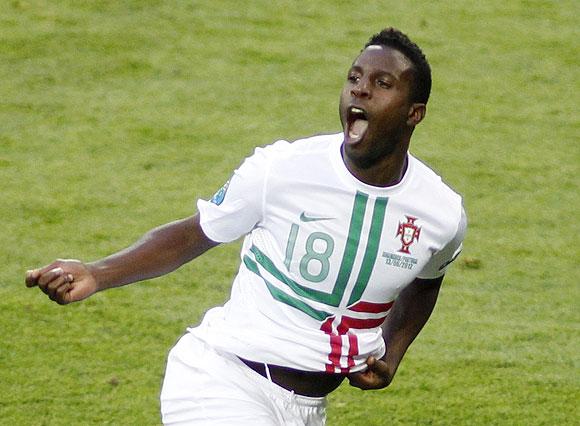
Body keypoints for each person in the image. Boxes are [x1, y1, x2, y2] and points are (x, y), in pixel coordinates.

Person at [25, 27, 466, 425]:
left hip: (305, 410)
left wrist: (394, 349)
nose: (360, 91)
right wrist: (97, 273)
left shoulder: (440, 213)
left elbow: (428, 280)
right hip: (221, 378)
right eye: (354, 78)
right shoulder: (282, 169)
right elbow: (193, 233)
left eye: (381, 84)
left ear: (414, 113)